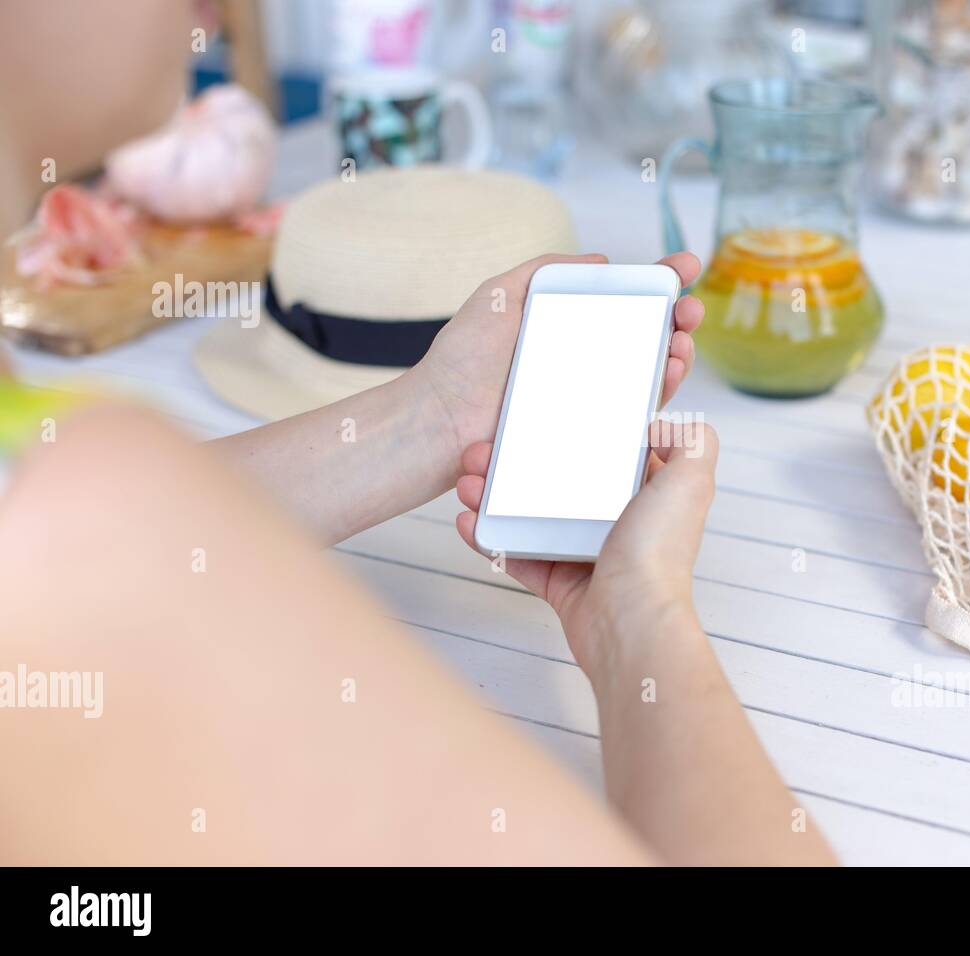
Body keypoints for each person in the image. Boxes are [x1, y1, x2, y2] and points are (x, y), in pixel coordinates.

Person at [0, 2, 836, 865]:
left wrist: (432, 416)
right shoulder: (75, 509)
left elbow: (129, 539)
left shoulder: (54, 477)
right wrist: (642, 614)